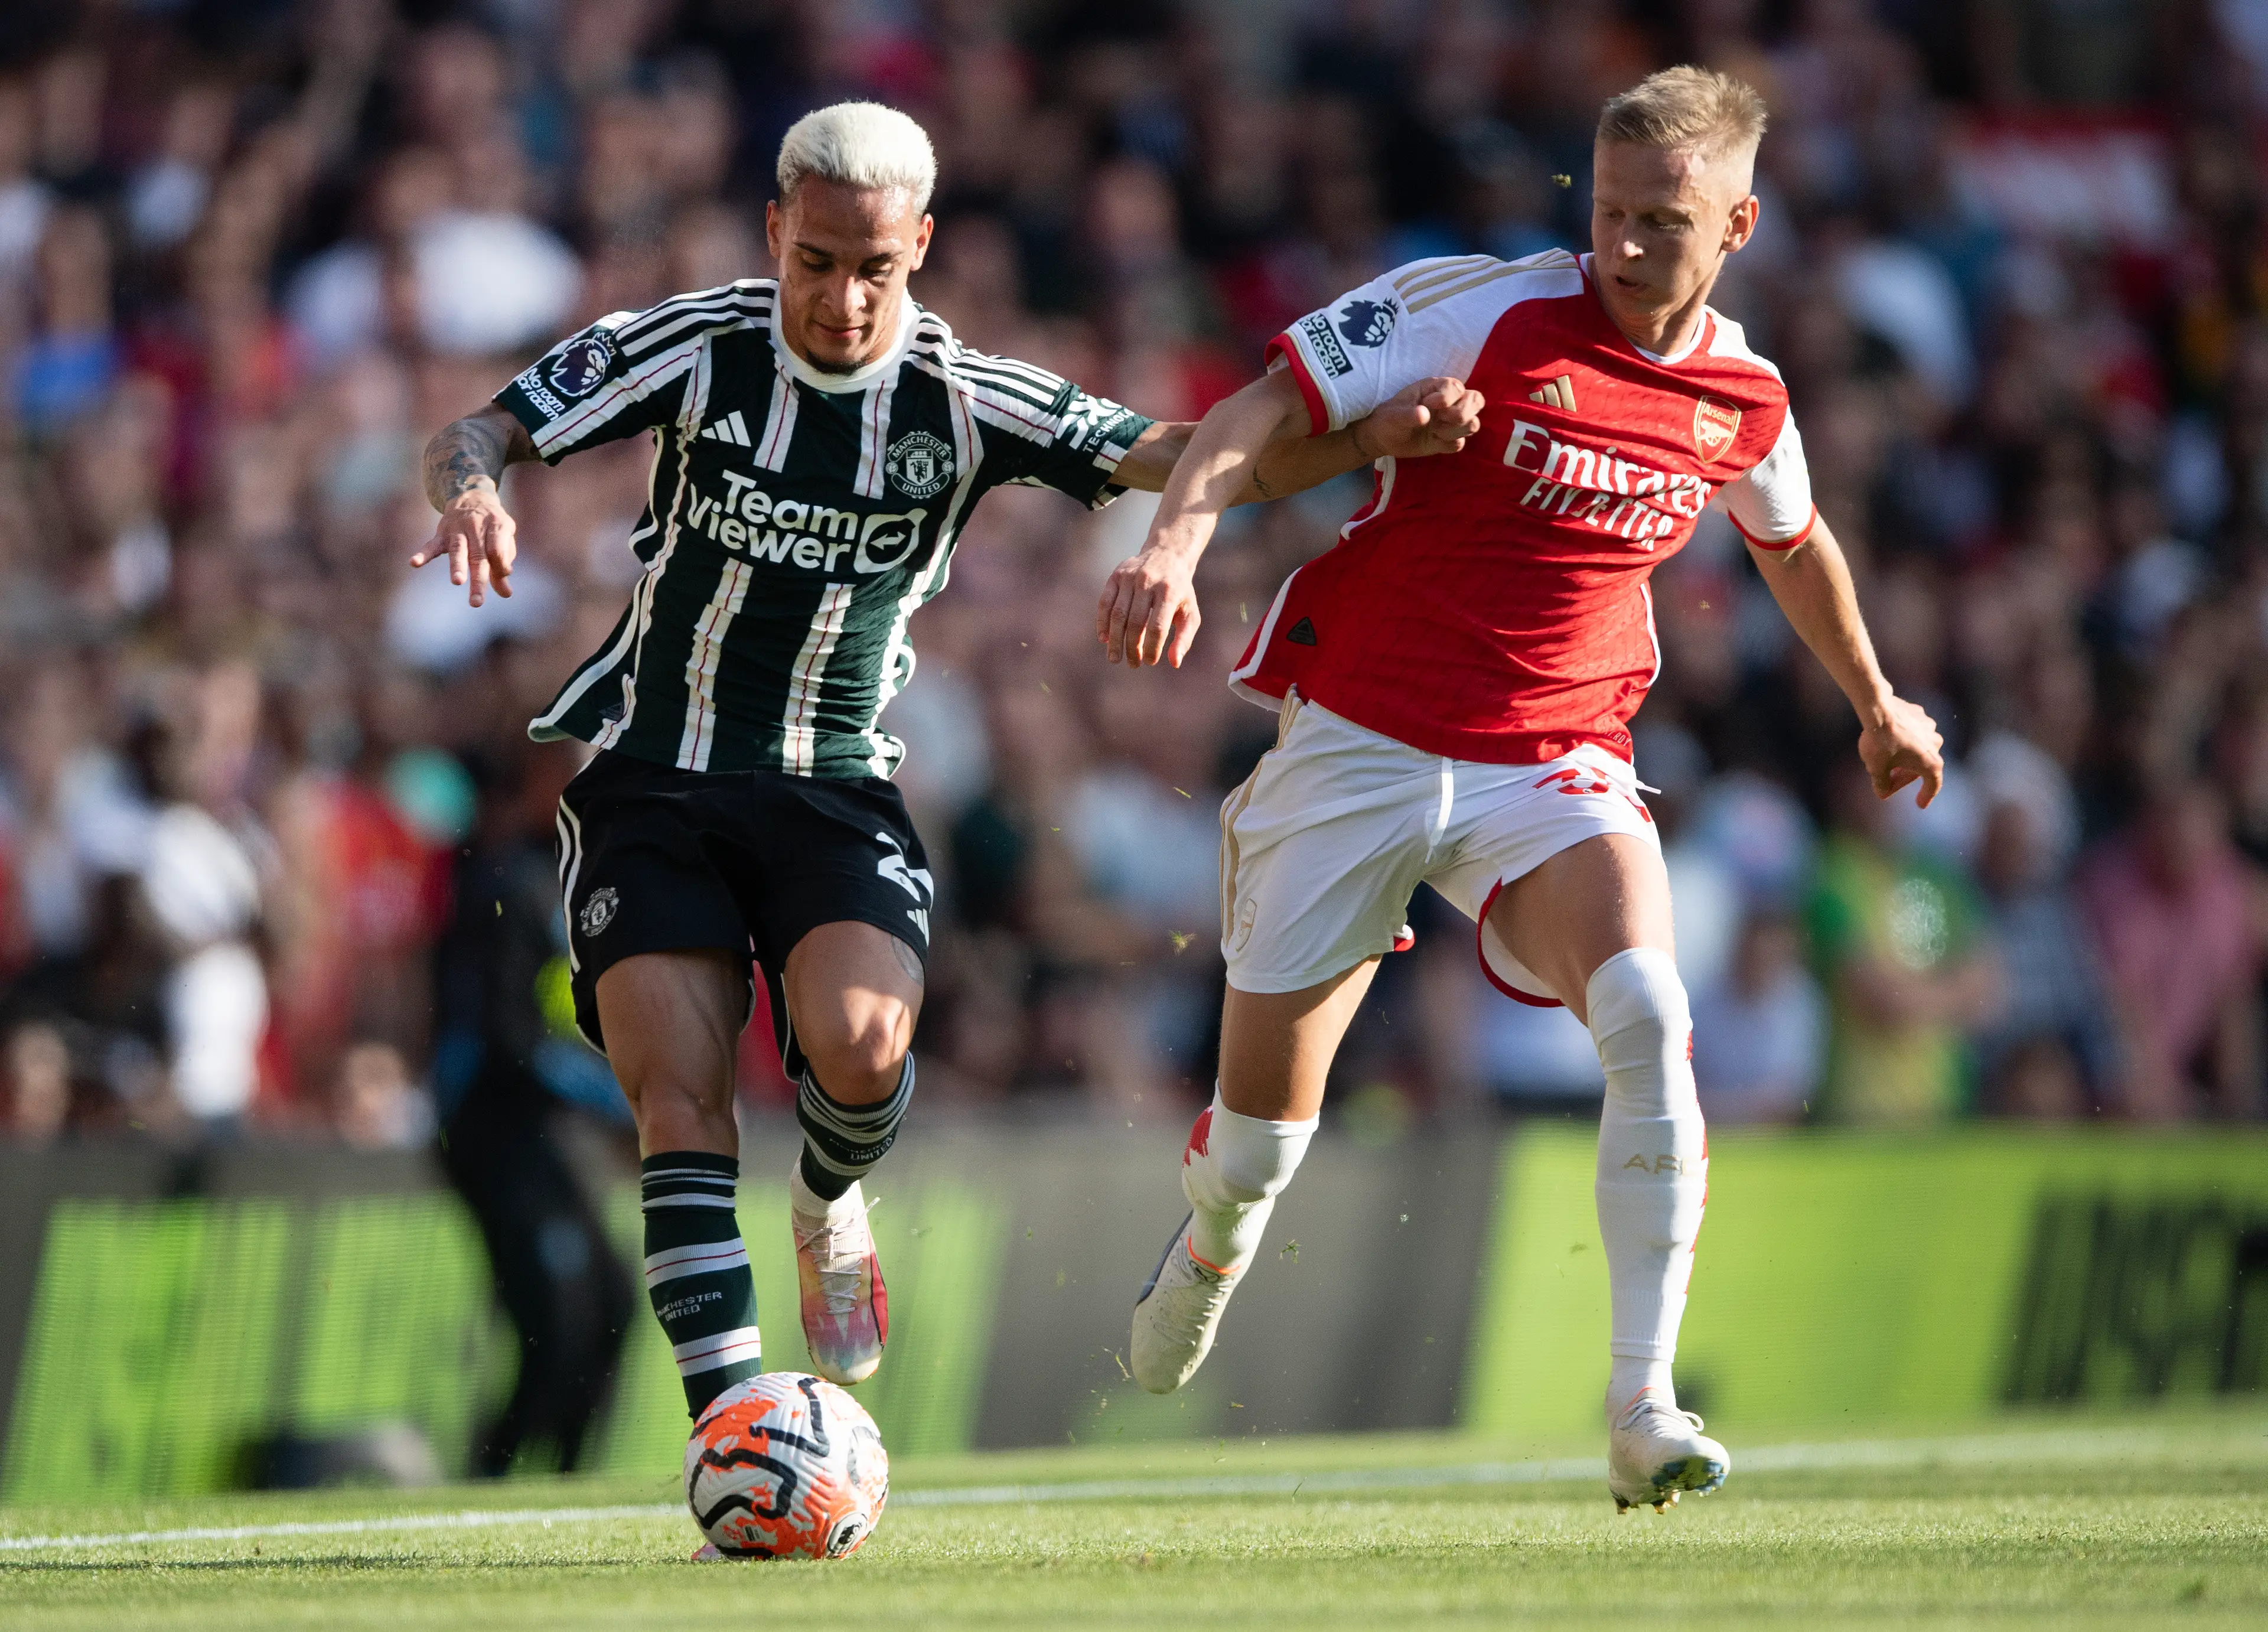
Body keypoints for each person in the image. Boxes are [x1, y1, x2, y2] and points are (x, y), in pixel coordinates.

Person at [413, 102, 1482, 1423]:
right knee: (679, 1101)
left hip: (830, 780)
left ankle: (827, 1193)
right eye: (817, 262)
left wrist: (1370, 444)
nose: (846, 298)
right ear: (775, 234)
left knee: (860, 1050)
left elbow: (1175, 454)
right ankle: (736, 1426)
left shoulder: (966, 395)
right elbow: (479, 429)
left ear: (918, 247)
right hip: (653, 775)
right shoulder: (692, 345)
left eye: (877, 268)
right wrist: (473, 487)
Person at [1097, 67, 1944, 1512]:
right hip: (1360, 740)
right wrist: (1170, 548)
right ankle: (1215, 1235)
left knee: (1651, 1010)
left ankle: (1640, 1401)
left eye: (1662, 223)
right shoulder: (1477, 309)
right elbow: (1253, 410)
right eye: (1610, 211)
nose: (1624, 244)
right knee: (1259, 1147)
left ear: (1737, 226)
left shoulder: (1743, 395)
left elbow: (1794, 542)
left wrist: (1877, 702)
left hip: (1556, 757)